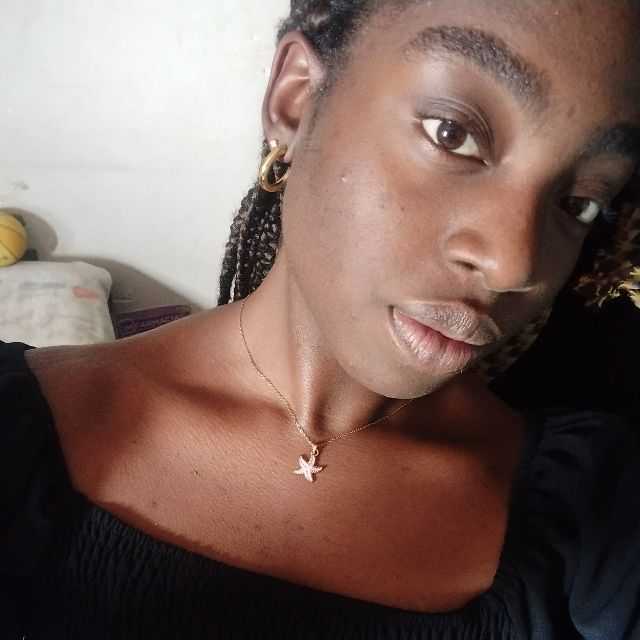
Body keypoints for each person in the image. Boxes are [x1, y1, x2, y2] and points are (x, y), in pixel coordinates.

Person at [2, 1, 640, 638]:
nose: (513, 263)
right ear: (297, 99)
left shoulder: (595, 512)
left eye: (580, 202)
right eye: (452, 134)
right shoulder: (22, 430)